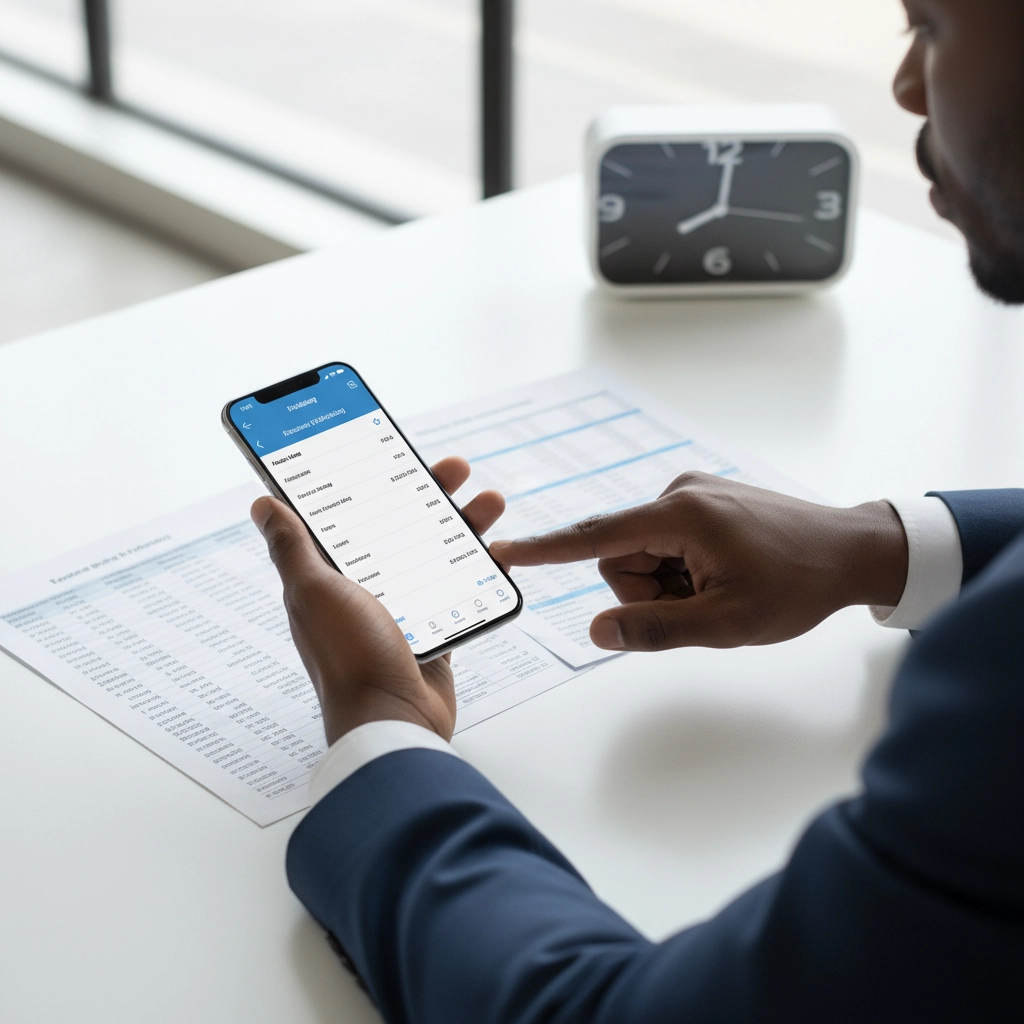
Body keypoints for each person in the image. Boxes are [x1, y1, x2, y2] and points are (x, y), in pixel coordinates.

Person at [255, 1, 1024, 1019]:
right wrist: (876, 547)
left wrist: (380, 728)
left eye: (928, 24)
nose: (903, 86)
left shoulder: (997, 681)